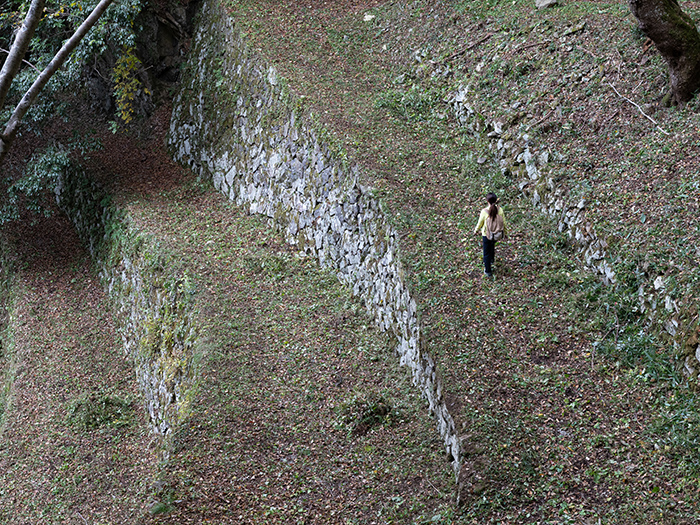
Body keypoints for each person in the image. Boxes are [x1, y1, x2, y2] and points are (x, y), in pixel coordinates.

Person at [473, 192, 506, 278]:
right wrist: (505, 232)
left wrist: (476, 230)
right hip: (497, 233)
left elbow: (480, 223)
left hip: (486, 234)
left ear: (487, 201)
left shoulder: (484, 212)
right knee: (492, 246)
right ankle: (492, 260)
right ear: (496, 200)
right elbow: (504, 222)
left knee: (486, 252)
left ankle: (488, 271)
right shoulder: (500, 210)